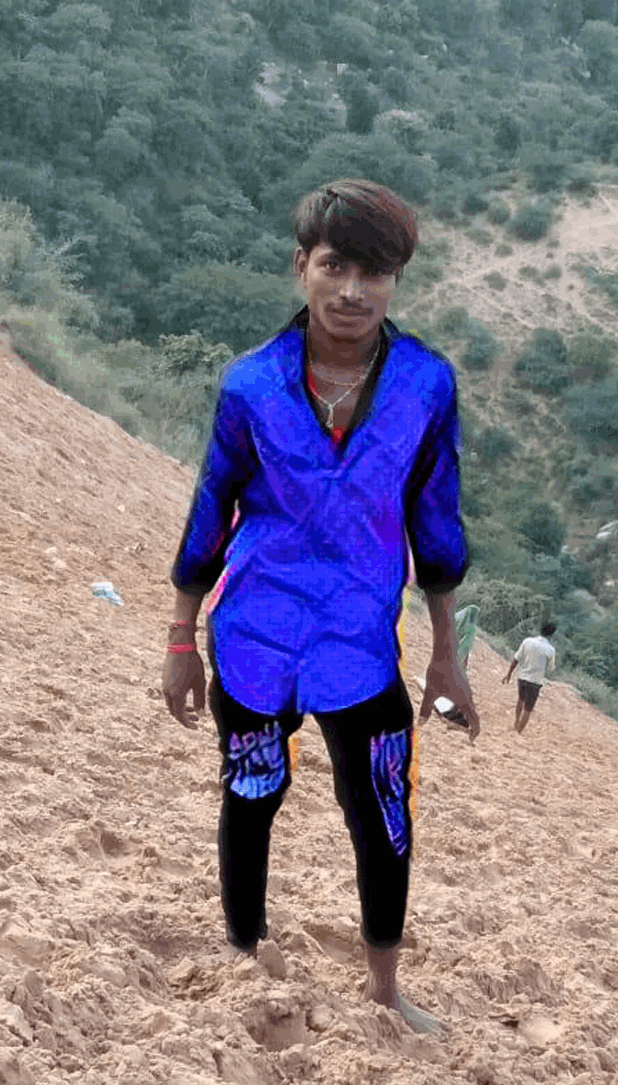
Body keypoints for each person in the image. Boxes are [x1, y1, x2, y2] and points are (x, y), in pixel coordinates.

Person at [162, 178, 478, 1035]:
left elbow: (437, 527)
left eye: (375, 273)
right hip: (254, 637)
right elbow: (210, 512)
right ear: (301, 264)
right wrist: (180, 640)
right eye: (336, 266)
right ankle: (245, 952)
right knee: (251, 792)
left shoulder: (424, 386)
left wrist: (446, 657)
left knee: (382, 809)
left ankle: (385, 988)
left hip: (360, 648)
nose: (352, 291)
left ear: (396, 281)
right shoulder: (250, 386)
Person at [502, 623, 556, 733]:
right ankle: (519, 731)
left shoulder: (527, 641)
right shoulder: (550, 650)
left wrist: (508, 674)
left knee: (520, 700)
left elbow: (516, 659)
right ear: (552, 635)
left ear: (540, 630)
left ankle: (516, 722)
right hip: (535, 681)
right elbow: (550, 668)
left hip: (522, 677)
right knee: (528, 708)